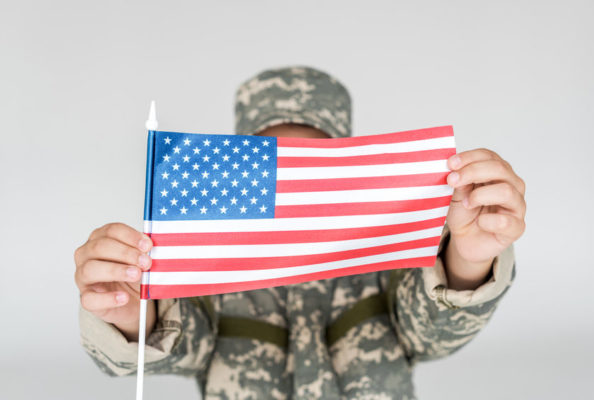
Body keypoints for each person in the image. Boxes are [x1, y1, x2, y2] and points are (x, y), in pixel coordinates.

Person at [75, 66, 526, 399]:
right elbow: (179, 348)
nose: (292, 199)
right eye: (273, 168)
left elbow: (432, 333)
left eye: (313, 172)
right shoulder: (210, 268)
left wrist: (468, 258)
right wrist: (134, 313)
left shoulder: (387, 259)